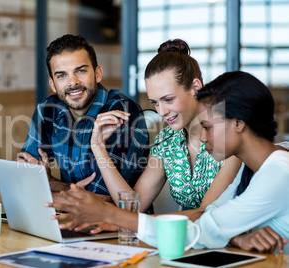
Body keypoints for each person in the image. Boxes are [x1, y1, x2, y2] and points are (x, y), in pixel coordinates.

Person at [46, 71, 289, 253]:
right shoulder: (250, 168)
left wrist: (110, 214)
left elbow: (202, 230)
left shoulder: (278, 173)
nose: (203, 137)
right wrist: (236, 237)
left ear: (238, 123)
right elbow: (210, 218)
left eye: (208, 127)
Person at [89, 39, 241, 215]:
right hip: (185, 239)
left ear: (195, 88)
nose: (161, 111)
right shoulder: (167, 141)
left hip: (230, 241)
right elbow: (133, 206)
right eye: (155, 103)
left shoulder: (229, 133)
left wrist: (132, 221)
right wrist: (98, 146)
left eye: (168, 99)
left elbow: (205, 214)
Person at [18, 34, 149, 201]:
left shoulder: (122, 111)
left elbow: (104, 199)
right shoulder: (47, 110)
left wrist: (49, 185)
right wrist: (61, 188)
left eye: (80, 71)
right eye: (61, 75)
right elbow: (26, 177)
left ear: (98, 73)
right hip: (63, 219)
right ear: (53, 84)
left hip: (118, 225)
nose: (72, 82)